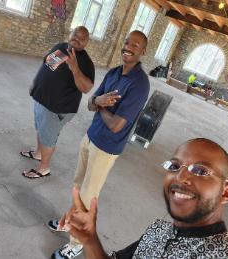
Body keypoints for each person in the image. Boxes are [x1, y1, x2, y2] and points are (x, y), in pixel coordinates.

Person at [49, 30, 151, 259]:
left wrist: (101, 104)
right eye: (126, 41)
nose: (128, 46)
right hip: (90, 137)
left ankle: (76, 244)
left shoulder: (139, 84)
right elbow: (90, 102)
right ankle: (67, 222)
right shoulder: (115, 72)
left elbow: (116, 125)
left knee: (87, 196)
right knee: (78, 187)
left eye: (135, 44)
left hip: (106, 148)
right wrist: (98, 101)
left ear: (143, 51)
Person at [59, 138, 228, 259]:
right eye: (175, 166)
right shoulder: (158, 229)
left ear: (225, 193)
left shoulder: (226, 255)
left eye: (201, 171)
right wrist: (90, 239)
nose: (180, 177)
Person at [21, 26, 95, 179]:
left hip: (58, 107)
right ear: (70, 34)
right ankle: (38, 153)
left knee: (48, 136)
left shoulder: (86, 62)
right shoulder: (60, 47)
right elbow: (46, 65)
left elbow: (86, 87)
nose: (77, 39)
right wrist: (35, 83)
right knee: (41, 128)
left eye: (82, 38)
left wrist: (75, 69)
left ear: (86, 42)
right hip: (41, 98)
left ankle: (43, 168)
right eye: (75, 35)